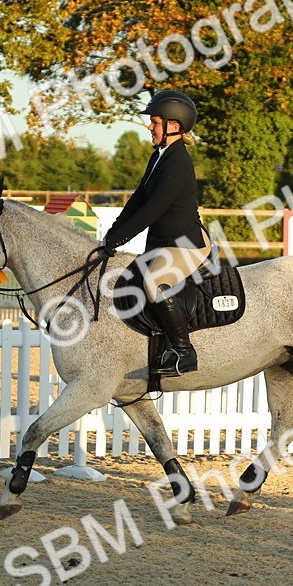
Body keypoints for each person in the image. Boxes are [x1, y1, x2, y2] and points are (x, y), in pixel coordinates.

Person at [100, 91, 209, 376]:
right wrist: (111, 233)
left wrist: (120, 239)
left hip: (186, 245)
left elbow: (154, 210)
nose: (150, 127)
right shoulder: (159, 156)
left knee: (154, 283)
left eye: (155, 122)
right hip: (163, 244)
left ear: (174, 126)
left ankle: (185, 353)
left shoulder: (178, 161)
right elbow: (139, 199)